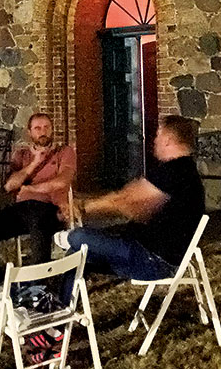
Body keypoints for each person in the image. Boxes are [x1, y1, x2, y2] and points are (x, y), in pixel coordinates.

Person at [63, 114, 204, 283]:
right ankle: (61, 306)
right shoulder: (184, 172)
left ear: (168, 139)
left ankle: (66, 239)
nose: (154, 140)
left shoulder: (175, 172)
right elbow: (133, 203)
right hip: (145, 253)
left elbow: (127, 199)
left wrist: (85, 207)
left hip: (151, 260)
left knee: (78, 237)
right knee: (76, 253)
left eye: (158, 135)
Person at [0, 112, 76, 286]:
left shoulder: (63, 152)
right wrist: (34, 163)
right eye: (38, 128)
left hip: (50, 208)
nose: (43, 132)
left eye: (47, 127)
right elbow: (9, 186)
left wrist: (30, 188)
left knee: (38, 220)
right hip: (21, 211)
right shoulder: (22, 155)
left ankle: (38, 288)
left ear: (52, 130)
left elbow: (62, 181)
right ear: (30, 132)